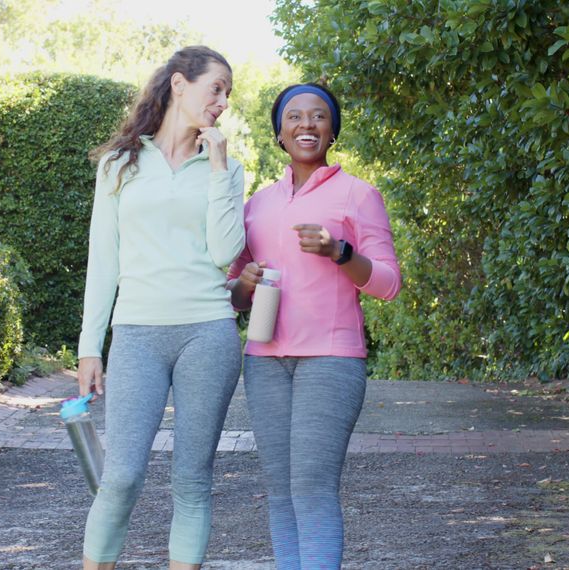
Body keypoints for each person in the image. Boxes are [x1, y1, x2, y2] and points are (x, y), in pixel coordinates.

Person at [75, 46, 245, 570]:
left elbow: (225, 254)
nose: (221, 103)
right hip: (138, 334)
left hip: (208, 333)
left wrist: (217, 167)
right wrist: (89, 347)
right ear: (178, 84)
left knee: (192, 479)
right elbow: (103, 260)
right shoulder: (119, 164)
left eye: (227, 95)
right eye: (215, 88)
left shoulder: (228, 169)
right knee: (121, 475)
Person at [228, 83, 402, 569]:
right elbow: (234, 297)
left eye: (318, 116)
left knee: (311, 484)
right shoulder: (257, 205)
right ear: (279, 133)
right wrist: (243, 281)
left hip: (331, 359)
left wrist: (339, 252)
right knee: (280, 489)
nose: (307, 124)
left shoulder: (359, 194)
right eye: (295, 117)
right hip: (264, 361)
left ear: (332, 130)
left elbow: (388, 283)